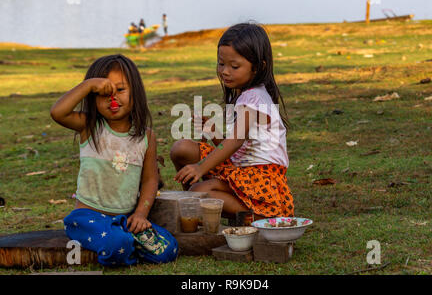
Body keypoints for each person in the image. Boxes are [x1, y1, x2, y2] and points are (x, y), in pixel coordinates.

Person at [50, 54, 178, 266]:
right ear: (93, 98)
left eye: (120, 90)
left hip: (125, 220)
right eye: (103, 94)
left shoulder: (146, 136)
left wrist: (140, 215)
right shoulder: (89, 127)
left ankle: (123, 245)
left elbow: (149, 181)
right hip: (87, 218)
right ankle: (121, 247)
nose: (113, 99)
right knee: (118, 242)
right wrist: (89, 84)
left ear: (135, 92)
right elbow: (57, 112)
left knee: (168, 248)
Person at [170, 23, 294, 221]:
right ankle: (195, 213)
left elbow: (235, 141)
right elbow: (238, 149)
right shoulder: (244, 95)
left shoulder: (254, 98)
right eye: (221, 64)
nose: (225, 71)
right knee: (181, 149)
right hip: (241, 172)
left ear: (258, 67)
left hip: (260, 180)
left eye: (234, 66)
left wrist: (200, 167)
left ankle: (255, 215)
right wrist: (214, 133)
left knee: (198, 192)